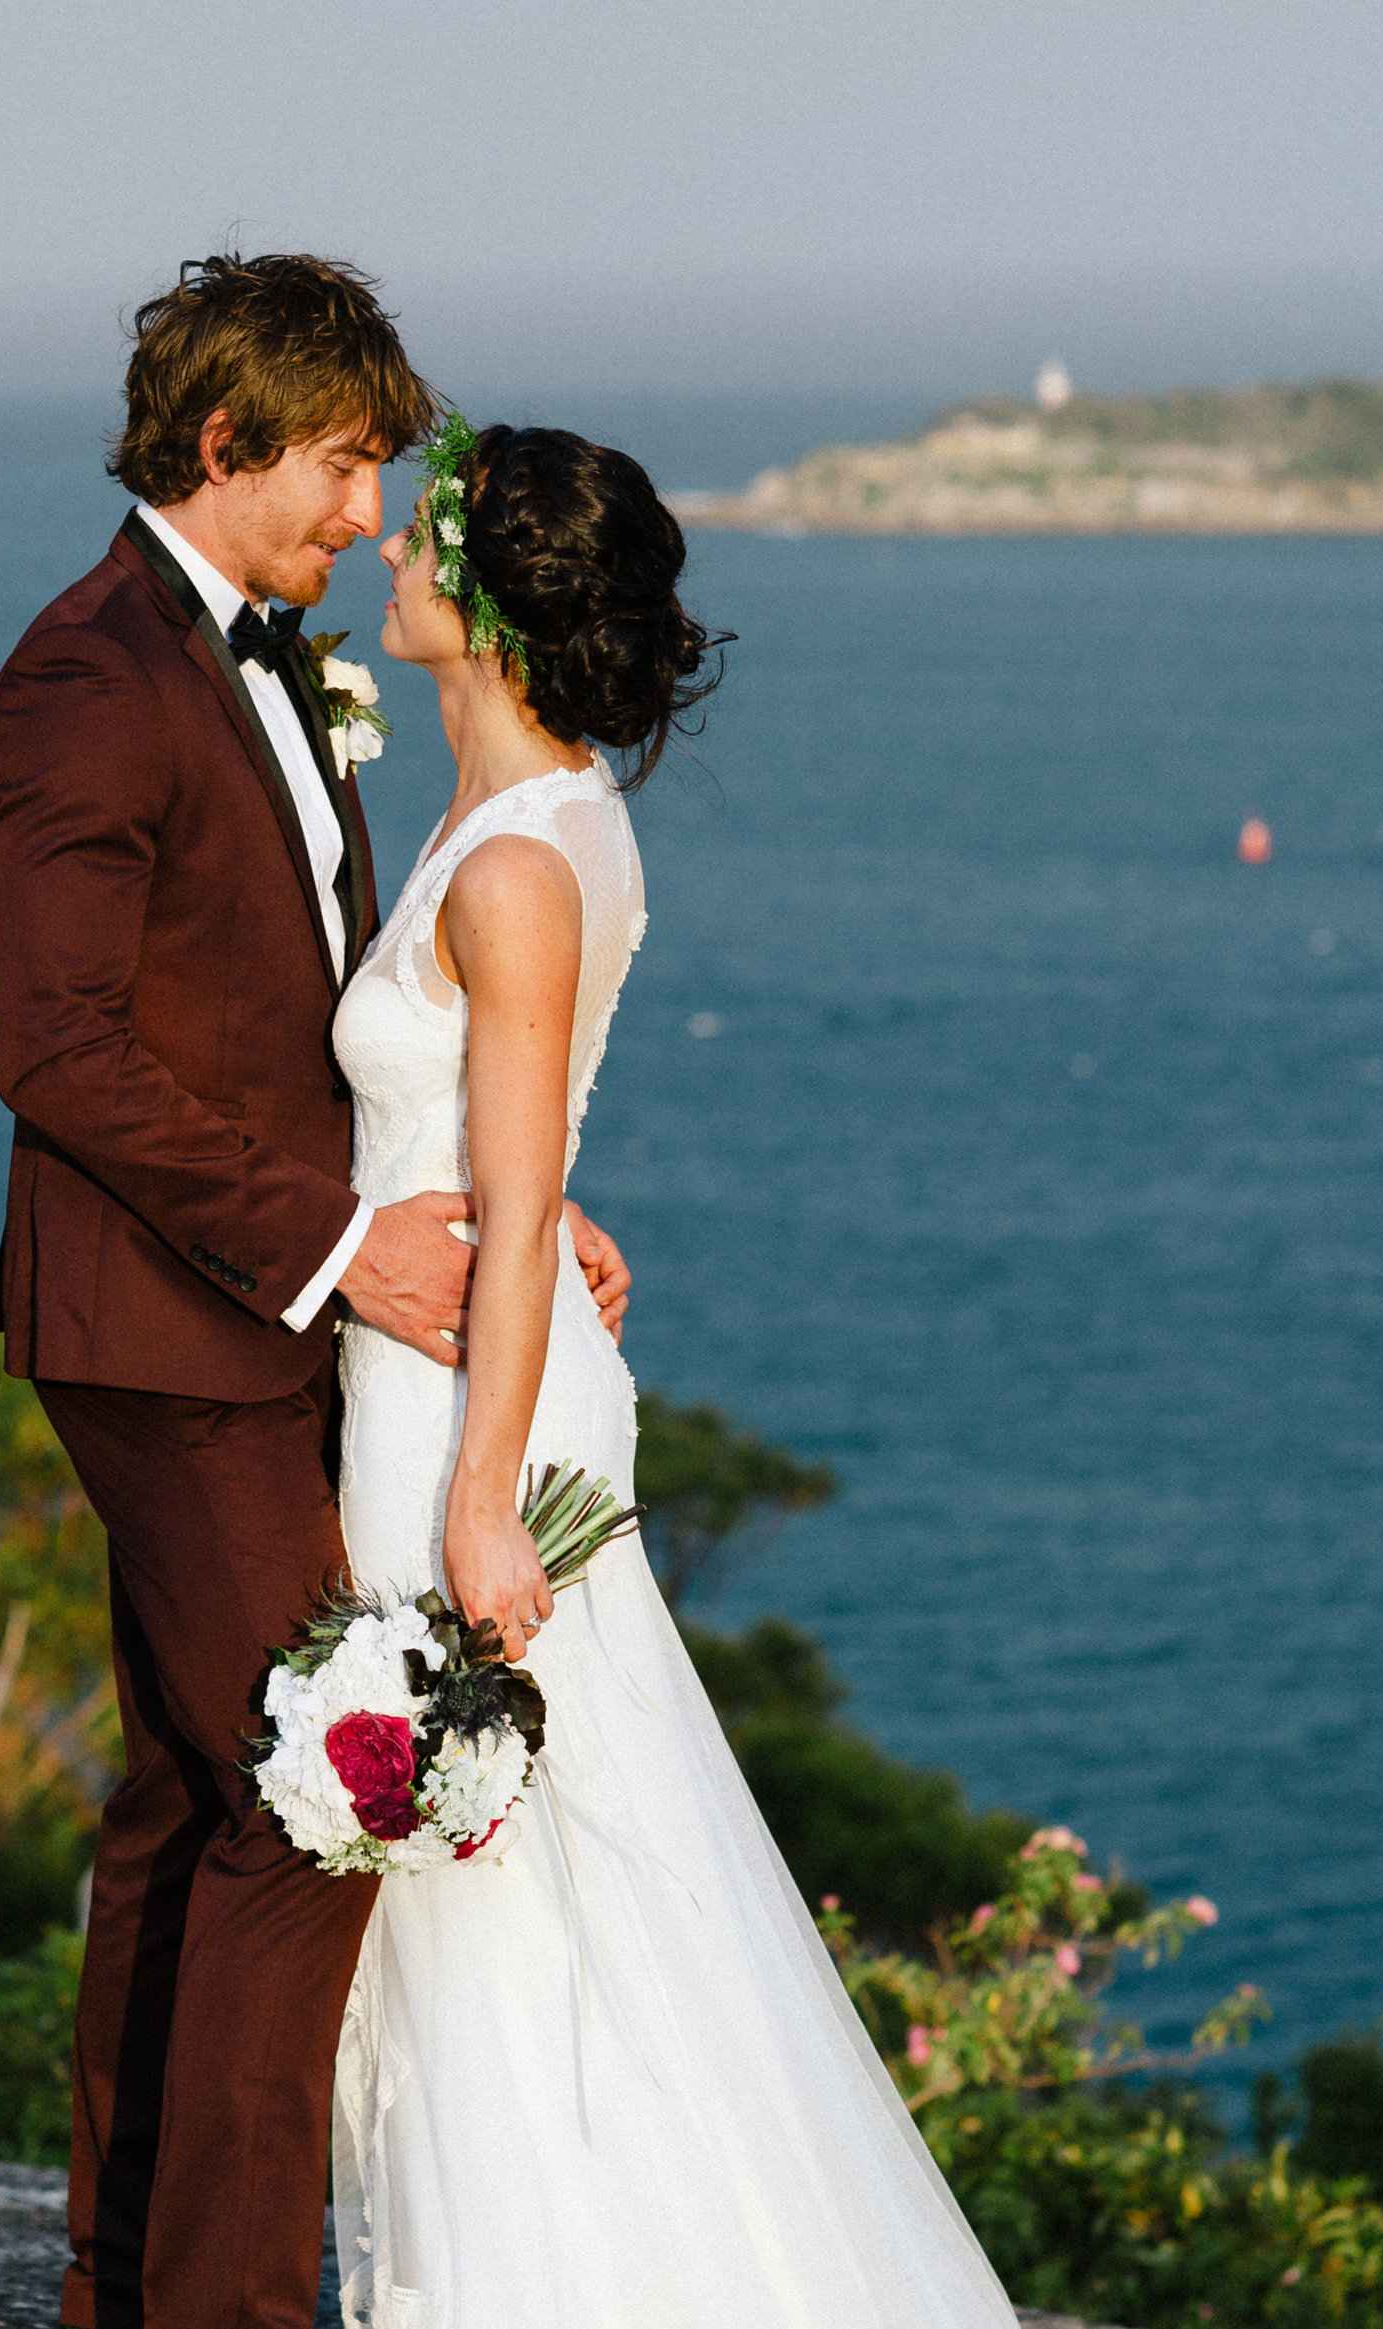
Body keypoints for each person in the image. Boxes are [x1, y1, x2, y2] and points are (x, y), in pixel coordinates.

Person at [0, 253, 630, 2329]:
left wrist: (502, 1201)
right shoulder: (85, 678)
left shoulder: (263, 658)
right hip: (166, 1331)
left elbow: (323, 1023)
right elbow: (59, 1048)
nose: (370, 516)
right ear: (225, 440)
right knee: (312, 1795)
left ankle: (120, 2277)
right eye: (346, 466)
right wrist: (355, 1248)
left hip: (292, 1323)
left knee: (189, 1799)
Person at [322, 419, 1021, 2327]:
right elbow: (503, 1149)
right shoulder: (528, 827)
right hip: (468, 1350)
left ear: (491, 607)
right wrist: (530, 1222)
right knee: (504, 1877)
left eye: (430, 541)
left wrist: (477, 1504)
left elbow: (518, 1166)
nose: (390, 551)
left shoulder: (522, 867)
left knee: (505, 1892)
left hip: (470, 1410)